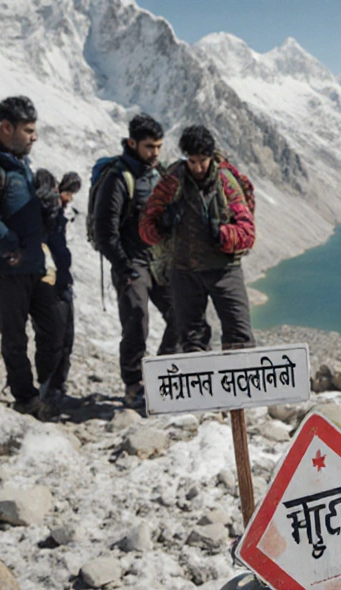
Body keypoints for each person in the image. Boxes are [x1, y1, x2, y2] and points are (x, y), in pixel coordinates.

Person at [0, 95, 63, 417]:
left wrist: (51, 202)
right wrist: (11, 249)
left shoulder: (22, 165)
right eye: (29, 130)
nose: (34, 137)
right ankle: (25, 398)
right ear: (6, 128)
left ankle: (47, 388)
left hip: (33, 264)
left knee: (54, 327)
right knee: (15, 338)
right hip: (5, 269)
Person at [139, 124, 256, 354]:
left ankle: (240, 389)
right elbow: (146, 227)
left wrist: (222, 234)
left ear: (211, 157)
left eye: (202, 161)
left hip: (224, 269)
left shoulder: (226, 182)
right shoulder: (172, 182)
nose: (198, 167)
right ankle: (202, 388)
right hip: (184, 271)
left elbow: (247, 232)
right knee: (192, 341)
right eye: (192, 161)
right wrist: (162, 224)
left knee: (239, 337)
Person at [93, 114, 175, 410]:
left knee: (181, 312)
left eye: (159, 147)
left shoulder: (160, 174)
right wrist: (123, 266)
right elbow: (105, 230)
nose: (155, 153)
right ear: (132, 143)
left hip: (160, 262)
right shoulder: (119, 178)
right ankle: (133, 384)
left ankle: (164, 377)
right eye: (149, 147)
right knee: (136, 320)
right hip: (132, 263)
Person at [35, 169, 78, 410]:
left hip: (61, 279)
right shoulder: (43, 212)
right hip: (47, 281)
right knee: (53, 337)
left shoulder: (61, 213)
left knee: (64, 337)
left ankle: (56, 388)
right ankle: (48, 389)